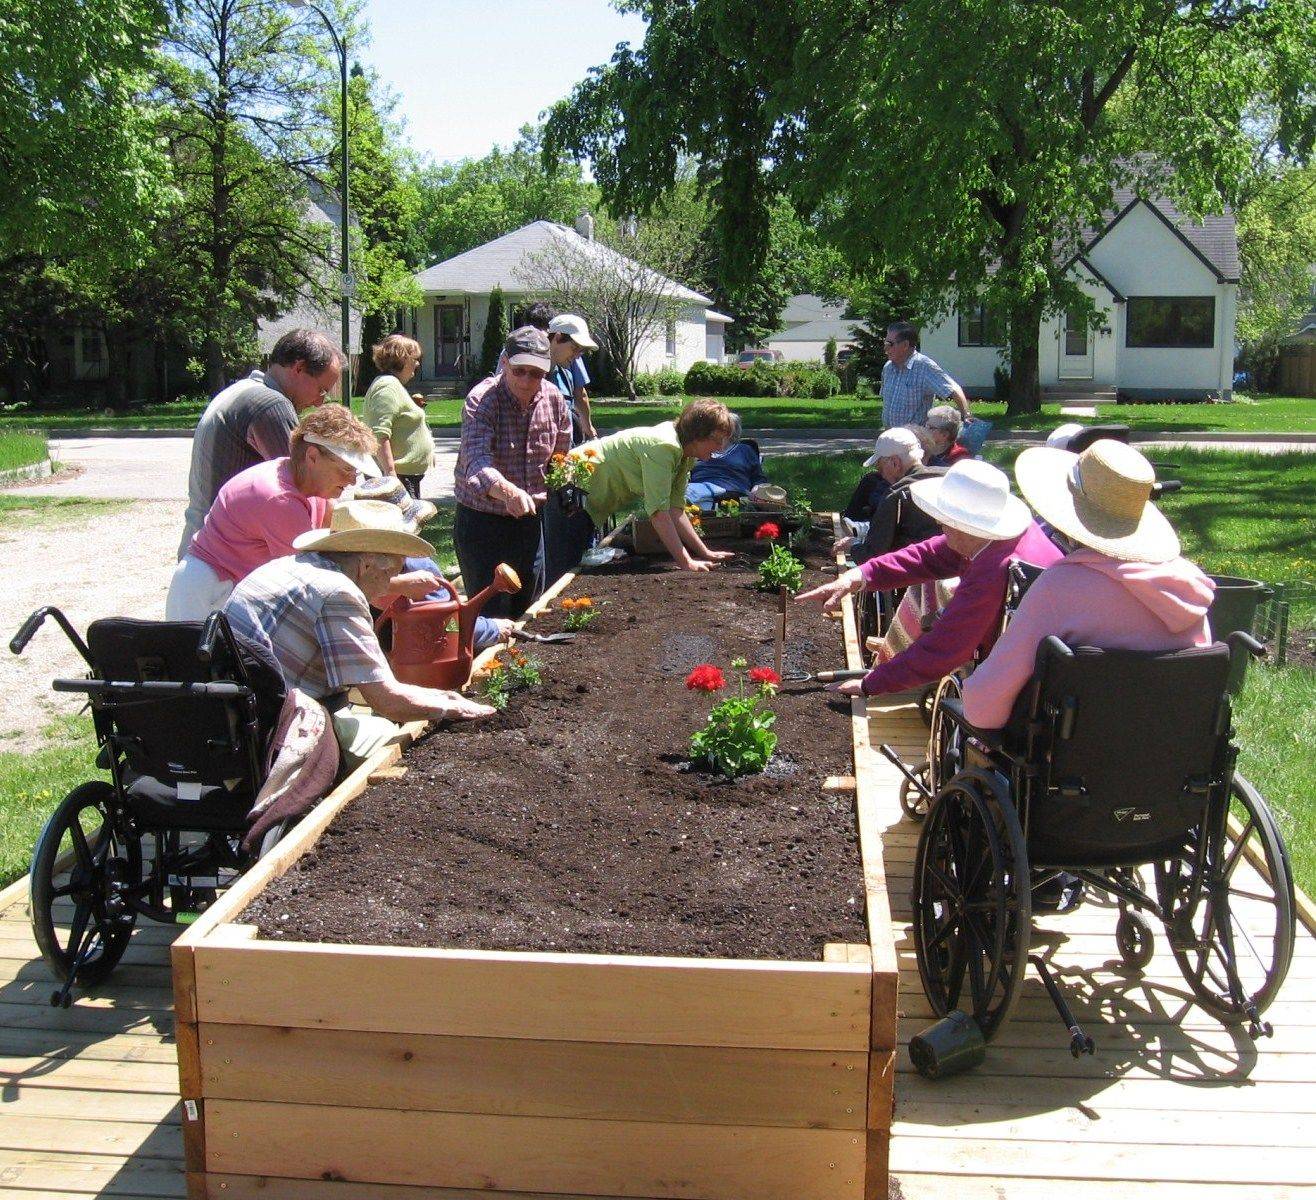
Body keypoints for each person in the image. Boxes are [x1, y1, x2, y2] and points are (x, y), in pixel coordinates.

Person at [961, 440, 1215, 729]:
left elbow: (983, 709)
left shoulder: (1062, 586)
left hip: (1074, 763)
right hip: (1174, 758)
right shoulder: (1189, 589)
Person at [222, 500, 495, 766]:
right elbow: (386, 700)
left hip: (231, 712)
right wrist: (451, 707)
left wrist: (441, 697)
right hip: (273, 729)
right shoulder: (338, 593)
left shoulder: (289, 567)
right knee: (389, 744)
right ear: (366, 565)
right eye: (393, 572)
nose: (392, 584)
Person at [795, 459, 1062, 697]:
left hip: (1031, 677)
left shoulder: (992, 571)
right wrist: (858, 575)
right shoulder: (996, 536)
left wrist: (872, 683)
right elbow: (927, 556)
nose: (940, 526)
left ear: (967, 526)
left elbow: (944, 649)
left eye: (946, 520)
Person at [167, 406, 380, 620]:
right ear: (313, 457)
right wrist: (392, 583)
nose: (353, 480)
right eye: (346, 469)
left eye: (356, 471)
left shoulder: (310, 486)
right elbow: (312, 580)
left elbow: (333, 539)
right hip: (209, 593)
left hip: (232, 588)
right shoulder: (280, 499)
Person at [179, 328, 342, 556]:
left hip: (204, 543)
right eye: (321, 390)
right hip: (225, 558)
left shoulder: (245, 390)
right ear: (299, 368)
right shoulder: (270, 404)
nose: (318, 402)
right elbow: (305, 483)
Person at [544, 399, 738, 582]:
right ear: (698, 435)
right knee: (561, 571)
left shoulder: (685, 455)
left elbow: (675, 508)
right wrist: (686, 563)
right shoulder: (663, 447)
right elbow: (659, 513)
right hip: (571, 494)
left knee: (574, 562)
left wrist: (705, 553)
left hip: (589, 501)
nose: (720, 447)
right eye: (718, 440)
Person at [453, 326, 572, 617]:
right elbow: (476, 462)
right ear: (505, 363)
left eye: (537, 373)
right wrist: (509, 492)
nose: (528, 380)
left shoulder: (553, 398)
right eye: (520, 371)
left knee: (530, 609)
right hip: (482, 523)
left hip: (530, 522)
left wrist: (565, 480)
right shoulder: (483, 400)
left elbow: (562, 453)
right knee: (489, 616)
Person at [352, 475, 514, 653]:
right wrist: (493, 629)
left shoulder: (346, 565)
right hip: (417, 662)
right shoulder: (417, 566)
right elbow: (448, 624)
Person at [834, 428, 942, 562]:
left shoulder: (896, 496)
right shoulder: (947, 478)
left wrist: (853, 545)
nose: (881, 474)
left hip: (918, 570)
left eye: (880, 467)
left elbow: (872, 556)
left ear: (895, 462)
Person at [362, 334, 433, 498]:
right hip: (396, 479)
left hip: (403, 477)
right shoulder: (387, 386)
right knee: (401, 523)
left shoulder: (392, 384)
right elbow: (379, 434)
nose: (417, 363)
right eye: (415, 358)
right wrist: (391, 475)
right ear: (403, 358)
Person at [880, 321, 972, 430]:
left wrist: (966, 415)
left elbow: (953, 388)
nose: (886, 348)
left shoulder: (924, 366)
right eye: (885, 343)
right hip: (890, 438)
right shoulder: (888, 368)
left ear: (905, 345)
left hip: (915, 440)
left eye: (889, 344)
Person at [685, 414, 767, 510]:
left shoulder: (744, 449)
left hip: (731, 493)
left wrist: (757, 489)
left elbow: (758, 477)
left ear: (731, 432)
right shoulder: (702, 449)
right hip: (698, 492)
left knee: (686, 495)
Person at [547, 314, 599, 444]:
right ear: (558, 338)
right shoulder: (527, 376)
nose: (576, 356)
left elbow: (580, 395)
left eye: (580, 351)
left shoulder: (567, 376)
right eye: (574, 348)